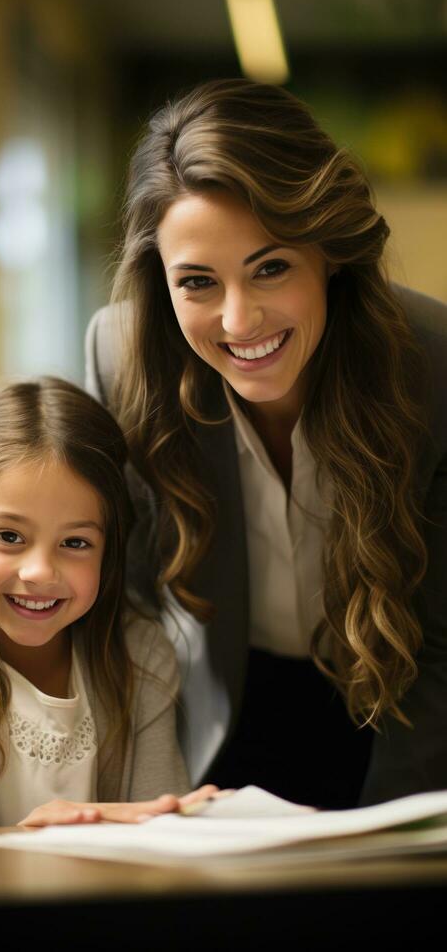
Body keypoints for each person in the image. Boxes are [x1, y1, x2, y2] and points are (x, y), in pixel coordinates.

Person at [85, 78, 447, 809]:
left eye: (270, 267)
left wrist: (393, 831)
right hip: (216, 718)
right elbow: (120, 608)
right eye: (197, 282)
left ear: (331, 251)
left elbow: (441, 641)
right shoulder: (121, 356)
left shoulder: (431, 362)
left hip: (400, 704)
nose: (239, 320)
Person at [0, 375, 216, 831]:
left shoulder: (142, 657)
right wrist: (25, 843)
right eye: (9, 536)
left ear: (110, 551)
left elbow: (166, 838)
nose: (40, 572)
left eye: (75, 542)